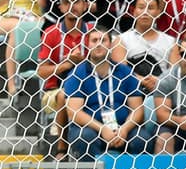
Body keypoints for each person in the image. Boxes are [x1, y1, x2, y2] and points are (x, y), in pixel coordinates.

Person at [63, 28, 146, 159]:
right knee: (84, 137)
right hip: (91, 129)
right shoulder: (77, 74)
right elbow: (74, 113)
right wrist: (102, 129)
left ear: (110, 45)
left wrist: (124, 129)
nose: (99, 44)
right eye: (94, 40)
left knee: (142, 138)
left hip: (123, 129)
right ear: (87, 45)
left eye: (103, 40)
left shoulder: (125, 72)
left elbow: (138, 110)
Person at [37, 0, 89, 160]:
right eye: (67, 2)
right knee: (63, 95)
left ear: (85, 6)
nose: (72, 6)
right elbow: (42, 72)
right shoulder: (51, 33)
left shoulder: (93, 33)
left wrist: (83, 62)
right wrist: (65, 65)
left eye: (76, 1)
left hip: (90, 88)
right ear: (60, 7)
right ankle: (61, 148)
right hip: (55, 89)